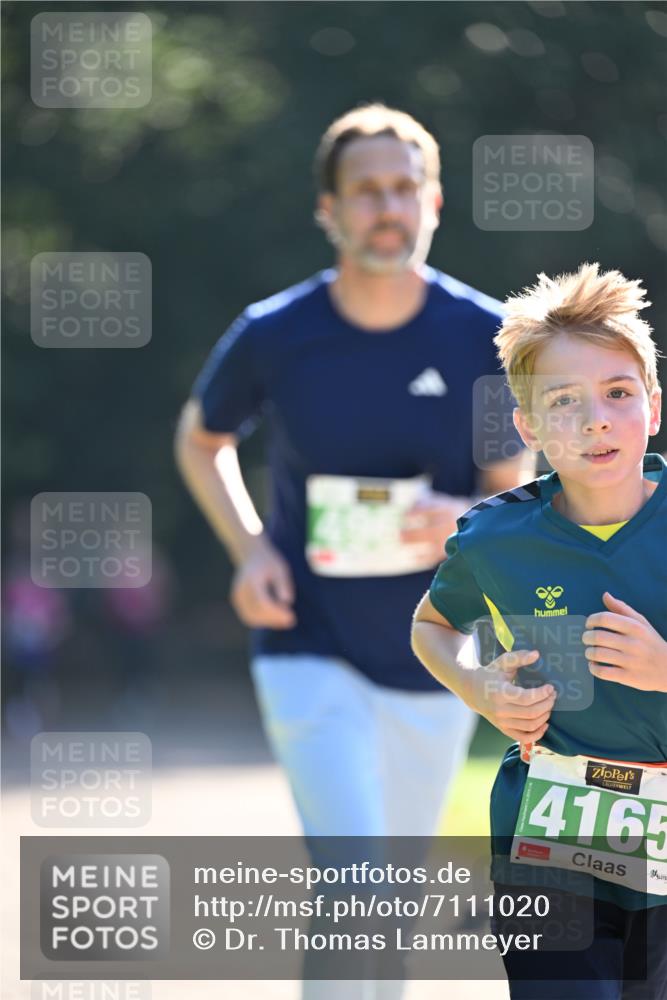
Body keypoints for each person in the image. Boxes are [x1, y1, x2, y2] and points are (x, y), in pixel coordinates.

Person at [412, 262, 667, 998]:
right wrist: (477, 687)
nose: (595, 420)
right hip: (548, 838)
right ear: (527, 427)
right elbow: (430, 625)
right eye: (564, 401)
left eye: (617, 393)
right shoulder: (494, 540)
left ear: (652, 406)